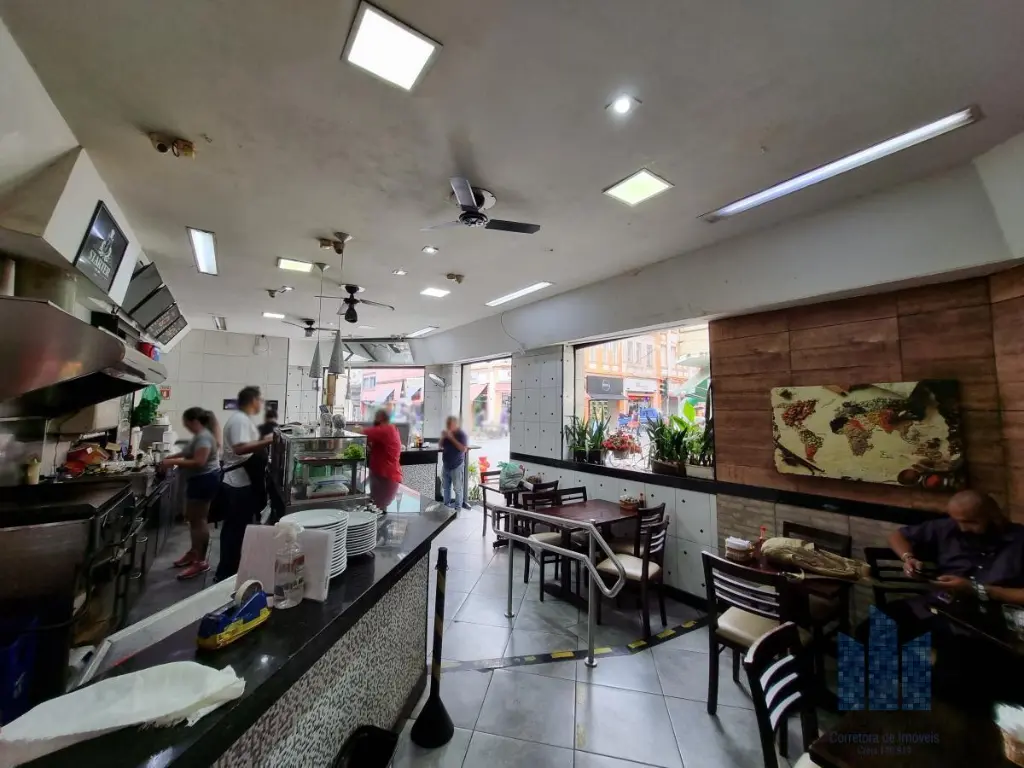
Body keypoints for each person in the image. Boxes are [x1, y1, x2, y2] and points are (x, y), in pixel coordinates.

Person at [216, 386, 273, 581]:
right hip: (237, 484)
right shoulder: (240, 420)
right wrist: (268, 441)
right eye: (260, 400)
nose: (261, 404)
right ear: (253, 400)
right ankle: (227, 575)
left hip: (239, 482)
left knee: (236, 529)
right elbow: (240, 449)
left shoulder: (241, 419)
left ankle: (231, 571)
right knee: (235, 531)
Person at [162, 407, 221, 580]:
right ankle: (194, 552)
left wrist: (172, 462)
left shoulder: (204, 437)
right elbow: (188, 452)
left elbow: (199, 461)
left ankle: (201, 561)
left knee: (199, 520)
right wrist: (172, 457)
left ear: (193, 421)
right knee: (193, 519)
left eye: (186, 422)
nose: (185, 426)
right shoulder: (200, 436)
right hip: (199, 480)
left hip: (205, 480)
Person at [360, 408, 402, 511]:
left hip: (386, 478)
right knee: (378, 508)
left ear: (380, 417)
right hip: (383, 476)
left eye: (376, 417)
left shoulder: (386, 429)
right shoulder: (390, 429)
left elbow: (361, 432)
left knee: (379, 509)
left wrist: (357, 428)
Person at [439, 415, 468, 510]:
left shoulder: (461, 434)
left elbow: (463, 449)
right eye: (447, 424)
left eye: (449, 424)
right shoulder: (447, 434)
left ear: (455, 424)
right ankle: (446, 506)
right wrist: (443, 437)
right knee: (446, 487)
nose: (448, 426)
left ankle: (458, 508)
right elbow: (440, 446)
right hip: (446, 465)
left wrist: (451, 438)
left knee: (457, 489)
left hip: (457, 465)